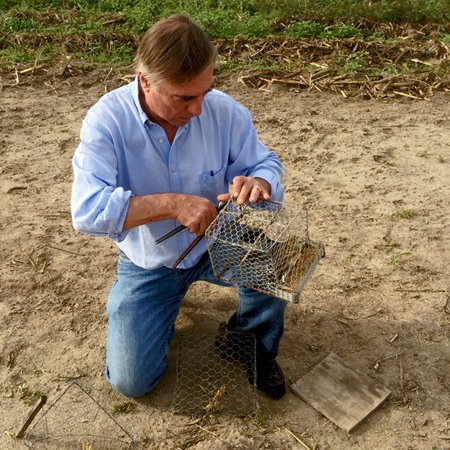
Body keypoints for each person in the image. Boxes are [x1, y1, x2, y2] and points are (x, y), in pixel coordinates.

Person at [71, 14, 287, 399]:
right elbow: (87, 211)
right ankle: (159, 311)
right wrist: (171, 204)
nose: (199, 109)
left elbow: (265, 163)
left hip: (220, 241)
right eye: (185, 97)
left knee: (273, 264)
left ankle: (247, 337)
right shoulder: (107, 121)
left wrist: (258, 183)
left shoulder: (224, 111)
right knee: (132, 382)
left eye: (205, 91)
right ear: (144, 80)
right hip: (149, 261)